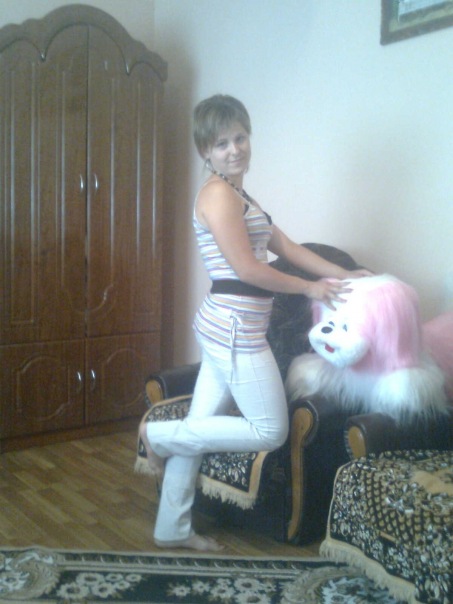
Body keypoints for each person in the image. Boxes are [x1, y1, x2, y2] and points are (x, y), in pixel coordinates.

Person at [139, 94, 371, 552]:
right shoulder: (217, 194)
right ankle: (159, 435)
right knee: (271, 429)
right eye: (221, 143)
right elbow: (247, 269)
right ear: (205, 150)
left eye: (240, 137)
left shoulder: (239, 194)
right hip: (234, 330)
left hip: (228, 326)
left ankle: (172, 527)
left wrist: (344, 275)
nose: (234, 149)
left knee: (202, 422)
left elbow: (287, 247)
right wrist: (309, 289)